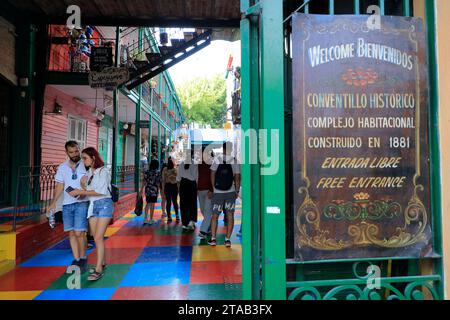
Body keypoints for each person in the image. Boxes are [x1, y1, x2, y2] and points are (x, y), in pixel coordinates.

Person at [68, 147, 113, 281]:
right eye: (82, 158)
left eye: (85, 158)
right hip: (92, 206)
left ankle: (98, 269)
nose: (83, 161)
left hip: (104, 204)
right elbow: (90, 191)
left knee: (98, 237)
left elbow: (101, 191)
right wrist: (81, 188)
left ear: (93, 158)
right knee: (95, 236)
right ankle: (103, 262)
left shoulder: (103, 171)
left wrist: (81, 192)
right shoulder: (89, 173)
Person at [46, 141, 89, 273]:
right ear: (67, 153)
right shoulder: (62, 167)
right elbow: (59, 186)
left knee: (79, 232)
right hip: (67, 204)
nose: (75, 154)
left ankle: (83, 257)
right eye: (71, 152)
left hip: (82, 202)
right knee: (71, 232)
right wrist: (53, 202)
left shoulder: (85, 164)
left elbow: (90, 182)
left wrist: (84, 189)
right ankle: (76, 259)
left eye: (76, 151)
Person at [208, 142, 241, 247]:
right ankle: (227, 240)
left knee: (215, 216)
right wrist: (236, 190)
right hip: (230, 192)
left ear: (223, 149)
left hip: (218, 192)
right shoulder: (234, 161)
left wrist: (213, 188)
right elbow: (237, 177)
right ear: (231, 149)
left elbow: (212, 173)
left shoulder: (217, 159)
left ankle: (213, 239)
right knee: (230, 215)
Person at [177, 151, 198, 231]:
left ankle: (184, 223)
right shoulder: (195, 164)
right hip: (192, 185)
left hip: (183, 184)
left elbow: (178, 178)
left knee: (183, 204)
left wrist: (179, 189)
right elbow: (196, 176)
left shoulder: (181, 163)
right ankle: (191, 222)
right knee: (192, 203)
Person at [197, 147, 214, 239]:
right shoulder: (198, 164)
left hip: (208, 190)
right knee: (203, 210)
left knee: (207, 210)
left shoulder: (212, 163)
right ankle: (210, 227)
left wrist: (212, 190)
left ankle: (203, 231)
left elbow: (213, 178)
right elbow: (196, 176)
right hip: (200, 190)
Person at [141, 159, 162, 225]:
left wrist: (141, 189)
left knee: (148, 203)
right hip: (154, 190)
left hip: (147, 189)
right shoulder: (157, 172)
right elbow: (158, 182)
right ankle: (151, 219)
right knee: (152, 204)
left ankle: (145, 219)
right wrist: (159, 190)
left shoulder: (147, 172)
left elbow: (144, 181)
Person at [162, 157, 179, 223]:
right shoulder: (175, 170)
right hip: (174, 187)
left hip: (167, 187)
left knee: (168, 202)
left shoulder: (164, 170)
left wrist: (163, 189)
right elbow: (178, 180)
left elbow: (163, 180)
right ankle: (177, 216)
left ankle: (169, 216)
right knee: (175, 201)